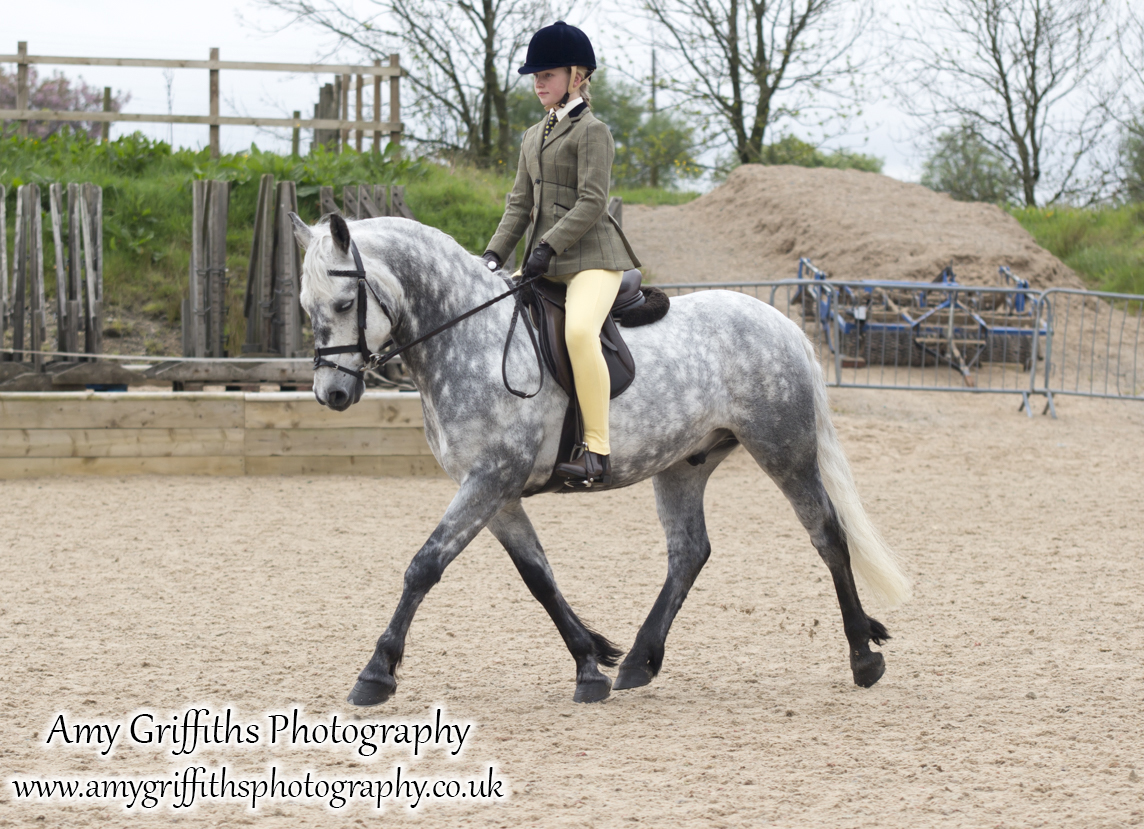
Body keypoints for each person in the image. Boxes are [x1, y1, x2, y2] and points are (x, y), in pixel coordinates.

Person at [481, 21, 641, 487]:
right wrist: (493, 256)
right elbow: (519, 205)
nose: (538, 84)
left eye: (546, 75)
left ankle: (596, 449)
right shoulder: (532, 136)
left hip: (593, 260)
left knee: (577, 333)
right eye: (534, 77)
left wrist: (548, 245)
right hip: (543, 261)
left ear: (576, 77)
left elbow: (593, 201)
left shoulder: (593, 131)